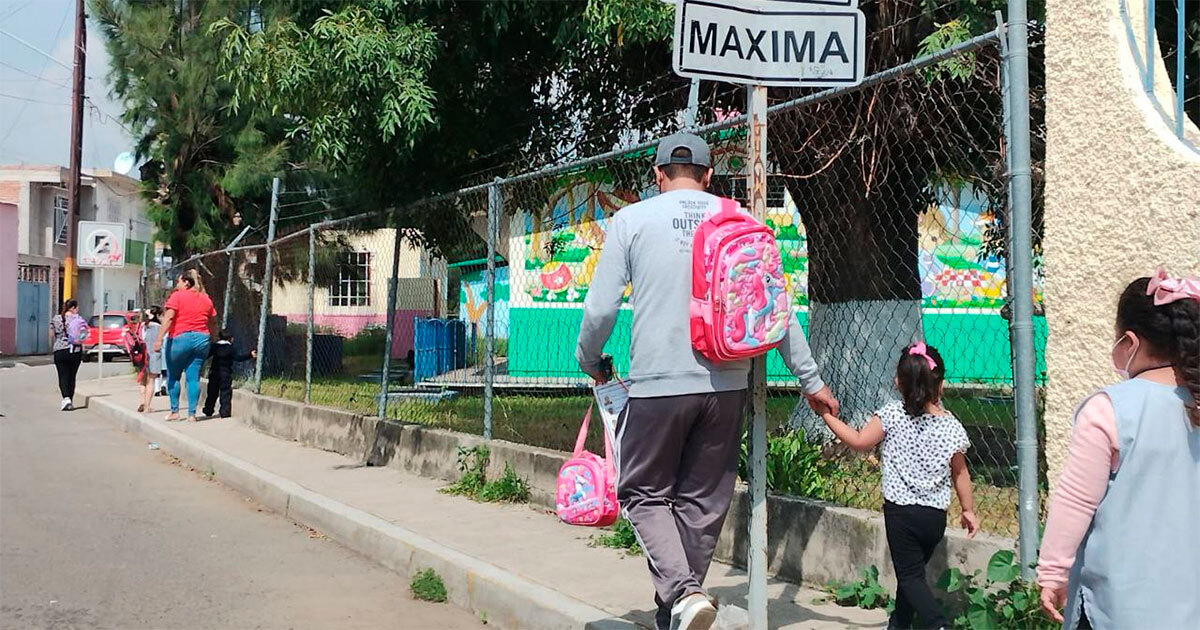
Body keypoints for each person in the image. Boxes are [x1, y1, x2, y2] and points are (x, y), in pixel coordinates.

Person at [575, 133, 837, 630]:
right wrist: (811, 380)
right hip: (727, 385)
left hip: (656, 383)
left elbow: (602, 307)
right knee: (702, 500)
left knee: (643, 492)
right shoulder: (741, 222)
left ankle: (681, 592)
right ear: (709, 175)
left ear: (656, 175)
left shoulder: (632, 220)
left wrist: (590, 358)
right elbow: (776, 312)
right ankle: (677, 611)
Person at [1037, 270, 1199, 629]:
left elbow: (1076, 500)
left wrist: (1052, 571)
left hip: (1115, 608)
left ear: (1129, 343)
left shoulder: (1108, 409)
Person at [818, 342, 977, 630]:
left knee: (910, 577)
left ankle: (937, 624)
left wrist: (826, 415)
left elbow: (857, 441)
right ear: (939, 385)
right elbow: (961, 473)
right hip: (933, 518)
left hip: (901, 515)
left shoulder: (890, 415)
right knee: (911, 575)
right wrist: (968, 510)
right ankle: (898, 625)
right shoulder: (952, 426)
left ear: (899, 383)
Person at [154, 269, 217, 422]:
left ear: (186, 283)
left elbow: (169, 318)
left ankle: (175, 411)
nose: (177, 284)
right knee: (193, 377)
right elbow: (212, 321)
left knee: (173, 376)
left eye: (179, 281)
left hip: (180, 338)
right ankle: (192, 414)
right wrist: (212, 337)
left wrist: (159, 338)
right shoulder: (206, 299)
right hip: (202, 339)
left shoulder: (177, 297)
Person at [202, 329, 255, 419]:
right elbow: (238, 358)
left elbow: (206, 356)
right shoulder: (231, 348)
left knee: (212, 392)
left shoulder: (214, 346)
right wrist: (250, 355)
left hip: (214, 372)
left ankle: (208, 409)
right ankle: (225, 411)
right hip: (225, 373)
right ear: (230, 339)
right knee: (225, 392)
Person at [50, 299, 89, 411]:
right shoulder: (79, 319)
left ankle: (66, 399)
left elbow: (51, 334)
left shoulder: (56, 319)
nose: (77, 310)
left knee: (63, 375)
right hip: (75, 351)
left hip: (60, 351)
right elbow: (83, 335)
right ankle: (70, 400)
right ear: (72, 308)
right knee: (72, 376)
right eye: (77, 308)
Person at [137, 306, 163, 413]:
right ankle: (147, 406)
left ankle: (142, 402)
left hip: (142, 356)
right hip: (154, 355)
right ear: (157, 316)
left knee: (143, 381)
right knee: (151, 381)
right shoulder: (158, 327)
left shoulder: (143, 325)